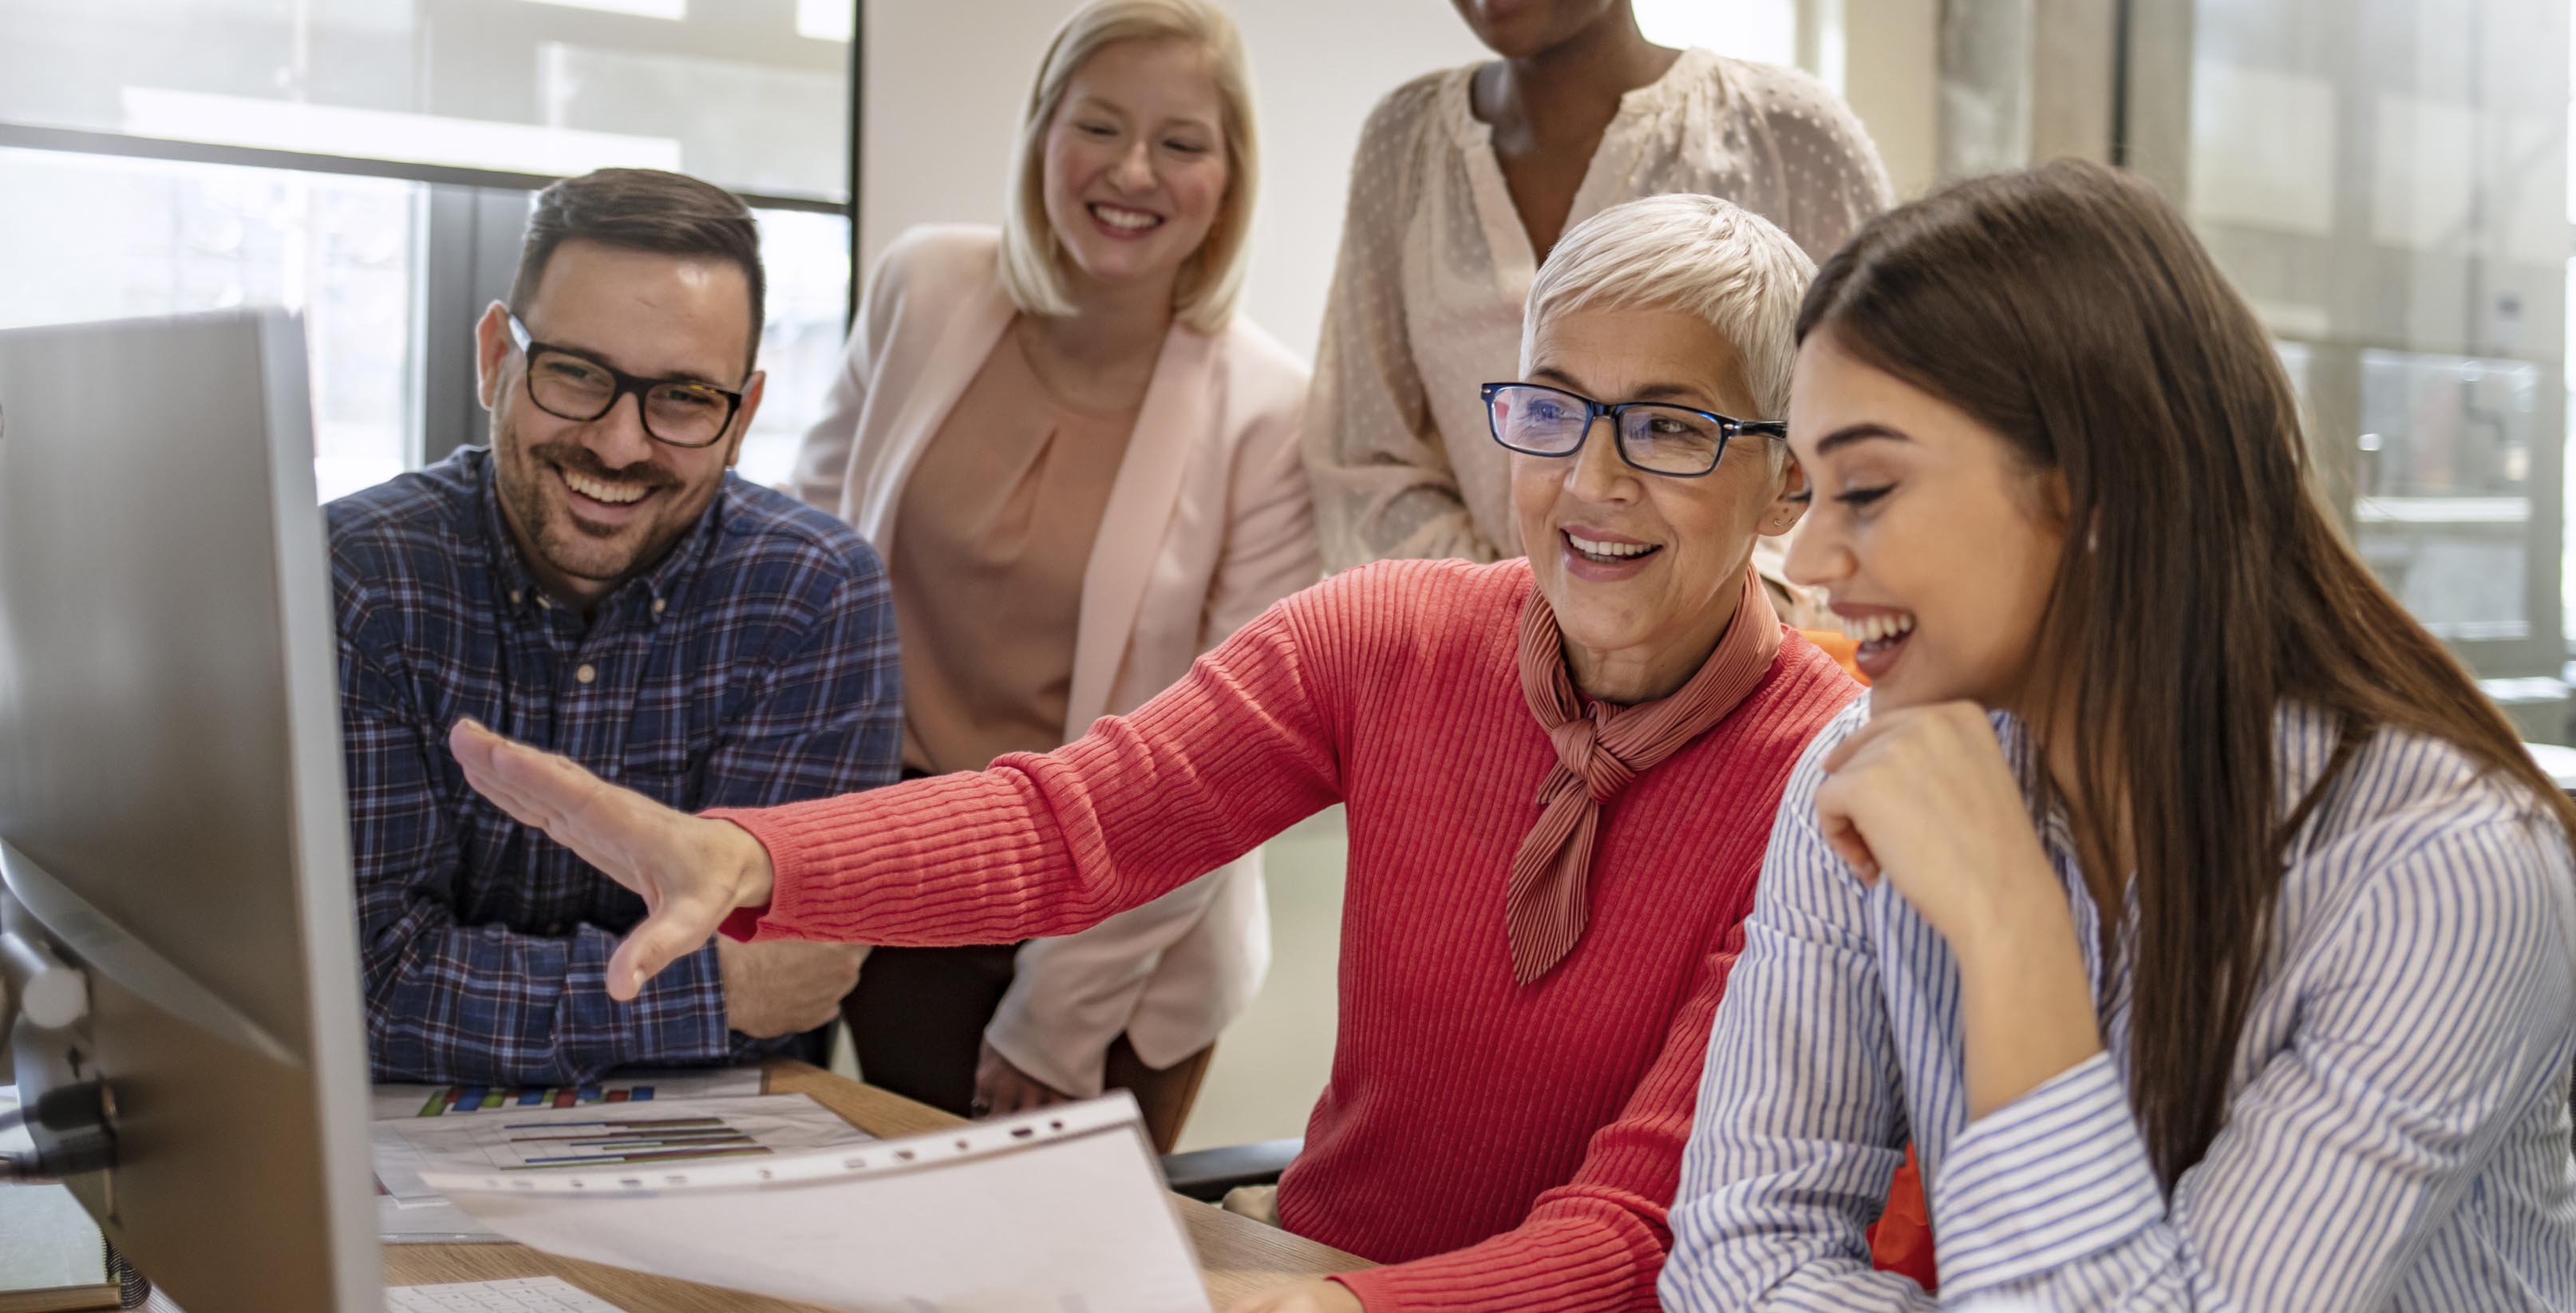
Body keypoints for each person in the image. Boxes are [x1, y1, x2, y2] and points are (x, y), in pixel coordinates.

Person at [448, 196, 1863, 1313]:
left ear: (1786, 473)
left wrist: (1324, 1308)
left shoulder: (1820, 780)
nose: (1593, 480)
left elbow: (1632, 1234)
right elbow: (1071, 826)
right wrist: (754, 855)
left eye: (1668, 428)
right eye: (1551, 407)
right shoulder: (1393, 636)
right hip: (1307, 1271)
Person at [1661, 161, 2576, 1310]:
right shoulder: (1867, 777)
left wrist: (2009, 929)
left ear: (2093, 494)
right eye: (1812, 491)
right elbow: (1741, 1256)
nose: (1813, 562)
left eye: (1871, 489)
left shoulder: (2441, 867)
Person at [800, 0, 1314, 1146]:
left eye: (1181, 143)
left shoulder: (1273, 413)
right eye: (1098, 124)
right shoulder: (923, 286)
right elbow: (806, 570)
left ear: (1228, 181)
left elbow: (1229, 756)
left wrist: (1059, 1012)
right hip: (911, 887)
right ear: (1042, 129)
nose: (1132, 171)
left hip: (1133, 934)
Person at [1308, 0, 1894, 580]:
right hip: (1478, 677)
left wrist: (1678, 628)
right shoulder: (1405, 143)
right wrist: (1537, 624)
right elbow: (1366, 461)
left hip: (1745, 683)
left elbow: (1870, 443)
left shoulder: (1787, 137)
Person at [330, 168, 902, 1086]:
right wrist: (711, 992)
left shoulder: (813, 594)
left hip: (705, 1161)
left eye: (681, 396)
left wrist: (479, 988)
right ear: (494, 358)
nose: (619, 443)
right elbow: (358, 983)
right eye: (576, 373)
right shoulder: (358, 579)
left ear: (743, 416)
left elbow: (795, 982)